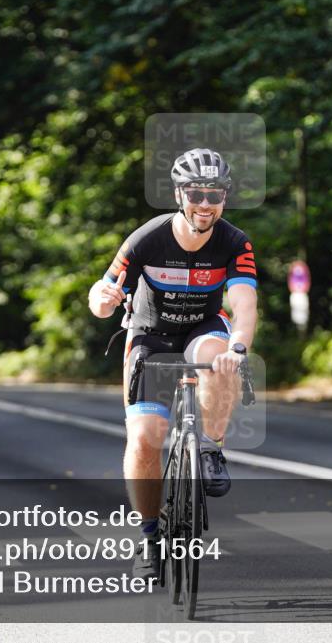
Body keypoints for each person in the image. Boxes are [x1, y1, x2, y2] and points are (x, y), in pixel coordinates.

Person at [87, 148, 259, 580]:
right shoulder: (147, 238)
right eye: (196, 194)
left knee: (220, 357)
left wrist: (238, 348)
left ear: (224, 197)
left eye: (214, 194)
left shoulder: (234, 242)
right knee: (145, 439)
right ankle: (149, 535)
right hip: (151, 334)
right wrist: (103, 300)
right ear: (179, 195)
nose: (205, 204)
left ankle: (211, 450)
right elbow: (102, 295)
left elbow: (244, 305)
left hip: (203, 328)